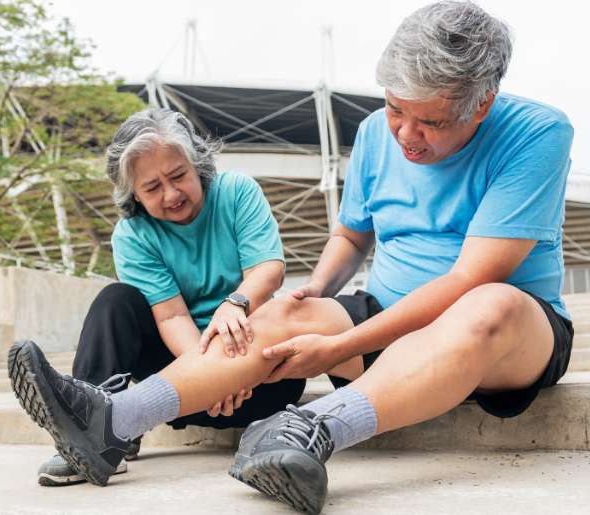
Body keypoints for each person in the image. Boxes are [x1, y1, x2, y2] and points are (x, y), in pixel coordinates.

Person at [223, 1, 575, 513]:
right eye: (395, 108)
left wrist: (339, 344)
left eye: (430, 120)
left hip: (504, 339)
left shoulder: (539, 133)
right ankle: (116, 418)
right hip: (387, 320)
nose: (406, 135)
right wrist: (317, 290)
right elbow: (351, 235)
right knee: (283, 312)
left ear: (481, 105)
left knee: (488, 303)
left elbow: (468, 280)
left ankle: (315, 429)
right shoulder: (372, 133)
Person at [33, 107, 307, 486]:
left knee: (288, 327)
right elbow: (172, 317)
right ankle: (93, 432)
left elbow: (267, 270)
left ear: (197, 165)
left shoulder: (236, 192)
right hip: (184, 379)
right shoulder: (133, 235)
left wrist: (235, 306)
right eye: (152, 188)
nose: (172, 194)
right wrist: (211, 376)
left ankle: (120, 422)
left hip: (257, 377)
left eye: (179, 176)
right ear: (135, 196)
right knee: (116, 300)